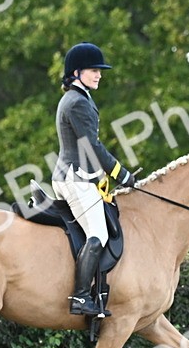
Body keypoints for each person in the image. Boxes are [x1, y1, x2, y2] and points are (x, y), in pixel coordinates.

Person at [52, 42, 137, 317]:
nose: (99, 75)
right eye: (93, 70)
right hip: (73, 178)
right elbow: (92, 146)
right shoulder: (77, 102)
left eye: (100, 71)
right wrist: (120, 173)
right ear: (76, 73)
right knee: (98, 234)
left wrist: (100, 177)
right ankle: (80, 297)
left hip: (79, 175)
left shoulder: (80, 98)